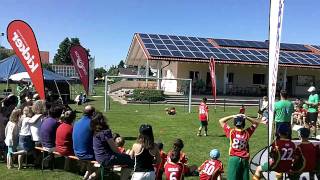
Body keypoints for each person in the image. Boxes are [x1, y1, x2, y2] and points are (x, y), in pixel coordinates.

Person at [92, 112, 134, 179]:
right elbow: (114, 148)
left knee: (125, 158)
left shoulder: (94, 131)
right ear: (103, 120)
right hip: (107, 158)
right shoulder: (105, 132)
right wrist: (122, 155)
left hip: (98, 157)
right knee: (131, 161)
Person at [219, 114, 260, 180]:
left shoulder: (231, 132)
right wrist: (246, 117)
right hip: (244, 159)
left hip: (234, 158)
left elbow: (221, 121)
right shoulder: (247, 132)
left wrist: (232, 116)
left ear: (235, 124)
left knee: (232, 177)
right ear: (243, 124)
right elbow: (256, 123)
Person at [73, 105, 96, 180]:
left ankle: (87, 172)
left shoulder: (76, 122)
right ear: (93, 113)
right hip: (87, 154)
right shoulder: (92, 124)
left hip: (76, 152)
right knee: (102, 156)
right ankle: (92, 175)